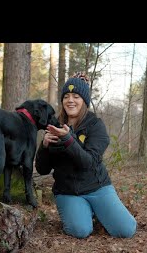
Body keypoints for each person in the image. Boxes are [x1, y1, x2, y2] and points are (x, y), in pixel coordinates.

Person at [35, 72, 136, 239]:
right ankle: (83, 211)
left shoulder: (96, 125)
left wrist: (68, 139)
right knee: (80, 231)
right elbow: (42, 169)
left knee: (126, 230)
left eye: (76, 96)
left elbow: (87, 163)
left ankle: (98, 210)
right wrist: (44, 146)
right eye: (66, 96)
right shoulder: (54, 125)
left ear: (84, 101)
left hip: (97, 187)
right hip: (67, 191)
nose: (70, 100)